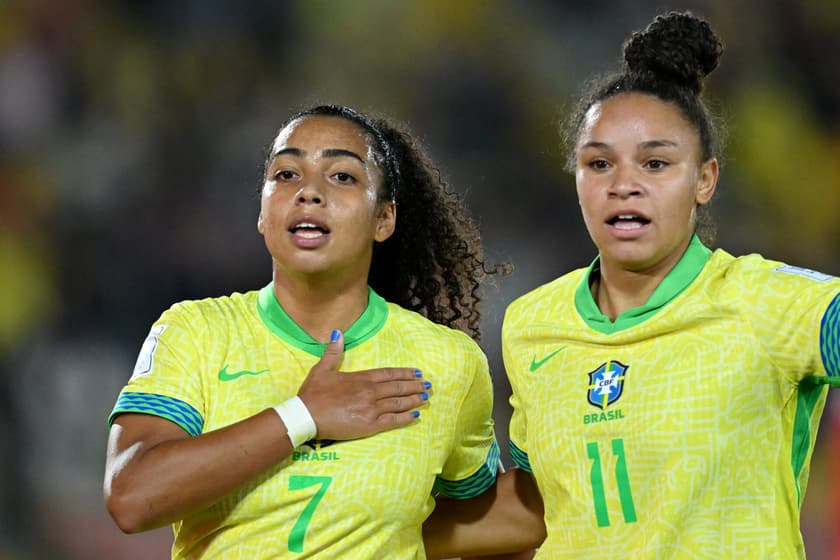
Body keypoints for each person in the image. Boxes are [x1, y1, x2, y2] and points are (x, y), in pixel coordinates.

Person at [424, 11, 840, 559]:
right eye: (599, 164)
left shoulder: (768, 303)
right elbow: (538, 505)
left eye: (656, 163)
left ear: (705, 180)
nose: (624, 186)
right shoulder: (532, 324)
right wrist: (370, 534)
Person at [103, 104, 510, 559]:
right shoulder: (195, 331)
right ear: (262, 213)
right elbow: (131, 498)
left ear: (384, 219)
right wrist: (302, 416)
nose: (309, 192)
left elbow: (494, 524)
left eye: (342, 176)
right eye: (286, 174)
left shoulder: (447, 362)